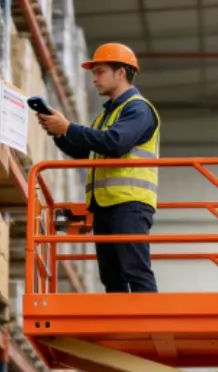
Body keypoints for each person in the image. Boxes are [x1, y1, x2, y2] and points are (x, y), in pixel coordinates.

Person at [36, 43, 160, 294]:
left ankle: (147, 327)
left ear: (121, 73)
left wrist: (68, 127)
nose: (94, 79)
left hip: (130, 204)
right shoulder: (105, 116)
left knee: (135, 271)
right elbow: (85, 152)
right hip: (104, 206)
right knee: (111, 278)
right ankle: (123, 329)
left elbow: (115, 144)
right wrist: (58, 133)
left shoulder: (138, 108)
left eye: (100, 71)